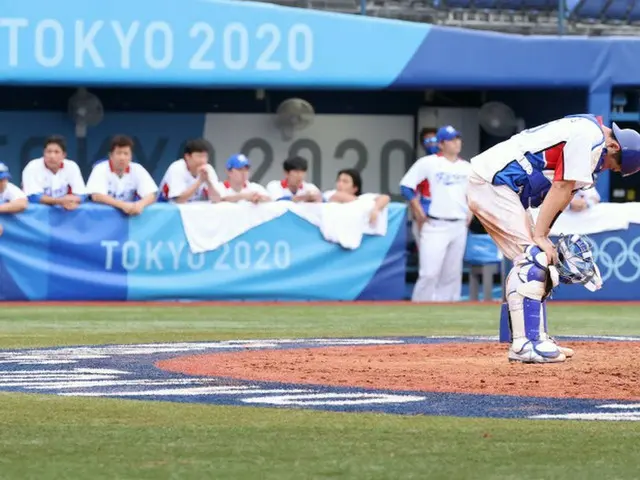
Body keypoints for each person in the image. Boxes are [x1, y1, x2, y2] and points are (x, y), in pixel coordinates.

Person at [467, 114, 640, 363]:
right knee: (533, 260)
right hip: (494, 181)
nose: (608, 168)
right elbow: (561, 186)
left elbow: (566, 192)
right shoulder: (589, 135)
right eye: (614, 164)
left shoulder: (589, 132)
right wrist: (539, 236)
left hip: (503, 186)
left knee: (541, 259)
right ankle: (525, 345)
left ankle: (536, 337)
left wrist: (543, 235)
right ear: (613, 146)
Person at [400, 125, 472, 303]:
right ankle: (419, 308)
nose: (457, 142)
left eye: (458, 138)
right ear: (441, 144)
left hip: (459, 224)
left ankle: (446, 314)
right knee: (429, 273)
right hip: (435, 223)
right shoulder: (429, 162)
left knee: (452, 274)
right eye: (452, 139)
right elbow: (406, 186)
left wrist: (471, 213)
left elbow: (475, 193)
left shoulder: (467, 167)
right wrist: (418, 210)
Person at [86, 135, 158, 216]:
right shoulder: (100, 168)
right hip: (101, 219)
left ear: (131, 156)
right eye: (118, 153)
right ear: (111, 155)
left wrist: (140, 205)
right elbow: (96, 196)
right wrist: (122, 205)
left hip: (129, 219)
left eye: (126, 154)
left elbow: (151, 195)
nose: (122, 158)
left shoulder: (137, 169)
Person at [21, 135, 87, 211]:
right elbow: (33, 197)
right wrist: (61, 201)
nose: (52, 156)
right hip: (37, 214)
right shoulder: (32, 167)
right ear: (44, 153)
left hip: (65, 212)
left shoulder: (72, 166)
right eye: (49, 152)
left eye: (56, 152)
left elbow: (82, 194)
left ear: (64, 155)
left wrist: (75, 200)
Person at [159, 138, 220, 203]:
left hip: (190, 209)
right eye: (199, 156)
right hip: (166, 207)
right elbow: (179, 200)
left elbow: (217, 199)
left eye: (205, 156)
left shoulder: (208, 169)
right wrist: (199, 181)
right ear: (187, 156)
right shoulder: (177, 167)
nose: (203, 160)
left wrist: (208, 181)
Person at [323, 168, 390, 226]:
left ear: (355, 188)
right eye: (339, 180)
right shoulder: (329, 193)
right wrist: (367, 204)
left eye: (345, 181)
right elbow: (338, 196)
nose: (340, 184)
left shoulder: (364, 197)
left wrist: (376, 209)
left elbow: (385, 198)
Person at [0, 163, 28, 237]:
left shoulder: (8, 187)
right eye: (0, 180)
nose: (2, 182)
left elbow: (22, 204)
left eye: (4, 179)